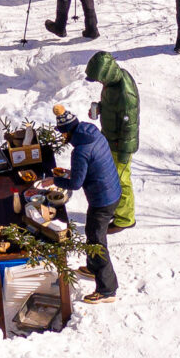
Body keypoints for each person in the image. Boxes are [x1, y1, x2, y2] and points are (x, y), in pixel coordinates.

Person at [46, 104, 121, 301]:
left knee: (97, 242)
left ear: (67, 132)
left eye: (62, 134)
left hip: (102, 200)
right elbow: (89, 168)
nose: (62, 138)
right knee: (92, 233)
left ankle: (107, 290)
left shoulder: (79, 151)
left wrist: (54, 180)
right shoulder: (92, 133)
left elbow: (75, 184)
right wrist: (69, 173)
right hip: (111, 189)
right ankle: (92, 267)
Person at [86, 50, 140, 229]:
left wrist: (124, 153)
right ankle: (117, 211)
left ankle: (125, 219)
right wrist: (101, 108)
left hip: (120, 144)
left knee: (121, 180)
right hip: (110, 138)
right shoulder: (114, 81)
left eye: (100, 79)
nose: (100, 83)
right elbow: (114, 107)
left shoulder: (126, 94)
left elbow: (129, 126)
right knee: (112, 178)